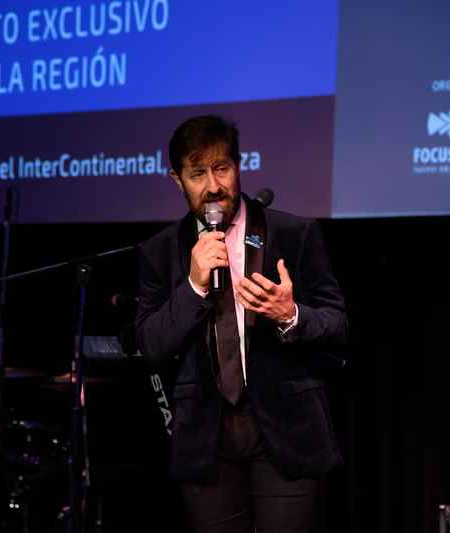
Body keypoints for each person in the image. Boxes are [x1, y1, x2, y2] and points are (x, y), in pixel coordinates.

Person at [135, 115, 348, 532]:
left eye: (222, 168)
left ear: (239, 165)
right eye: (197, 174)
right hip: (205, 439)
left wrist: (290, 315)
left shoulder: (294, 233)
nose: (213, 186)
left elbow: (337, 325)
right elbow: (151, 346)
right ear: (177, 180)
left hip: (286, 430)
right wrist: (193, 286)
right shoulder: (159, 252)